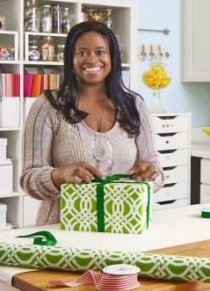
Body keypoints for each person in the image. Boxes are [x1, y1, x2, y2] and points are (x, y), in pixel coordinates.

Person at [21, 21, 163, 225]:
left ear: (112, 57)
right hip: (60, 230)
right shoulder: (48, 106)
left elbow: (157, 173)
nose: (91, 59)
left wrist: (150, 175)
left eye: (100, 52)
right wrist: (58, 175)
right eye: (82, 53)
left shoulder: (134, 105)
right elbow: (29, 180)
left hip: (123, 228)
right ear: (70, 59)